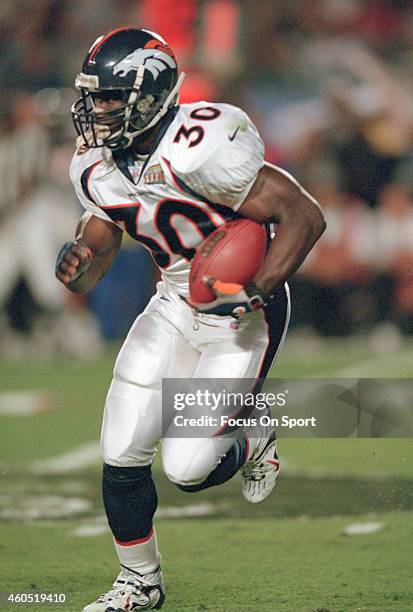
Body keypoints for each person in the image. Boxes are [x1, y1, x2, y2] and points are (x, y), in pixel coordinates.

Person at [55, 27, 325, 612]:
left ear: (148, 95)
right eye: (93, 97)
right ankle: (139, 582)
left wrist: (253, 288)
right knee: (121, 448)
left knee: (188, 468)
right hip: (175, 299)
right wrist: (80, 254)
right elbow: (101, 240)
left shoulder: (201, 143)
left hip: (238, 311)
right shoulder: (93, 164)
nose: (95, 111)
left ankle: (254, 432)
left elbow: (302, 214)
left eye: (108, 97)